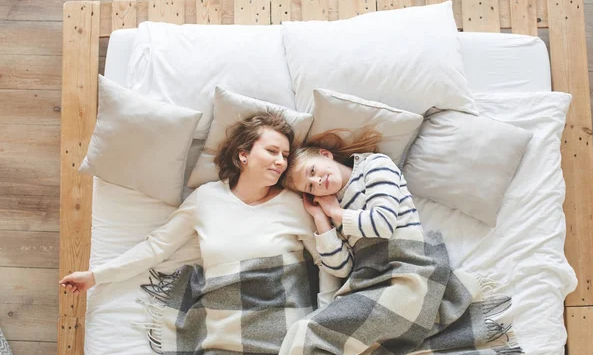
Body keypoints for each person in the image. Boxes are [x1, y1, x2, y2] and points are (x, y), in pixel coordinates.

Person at [59, 111, 340, 300]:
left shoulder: (294, 203)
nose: (281, 161)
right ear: (243, 155)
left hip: (286, 325)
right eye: (272, 151)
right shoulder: (207, 199)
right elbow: (157, 247)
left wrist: (324, 315)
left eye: (285, 155)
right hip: (224, 330)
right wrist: (96, 276)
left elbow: (325, 261)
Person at [281, 128, 423, 287]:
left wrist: (336, 212)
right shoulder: (330, 210)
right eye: (311, 187)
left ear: (325, 155)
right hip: (368, 277)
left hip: (406, 263)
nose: (317, 181)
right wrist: (321, 220)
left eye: (312, 171)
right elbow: (342, 269)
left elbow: (383, 224)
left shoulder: (374, 164)